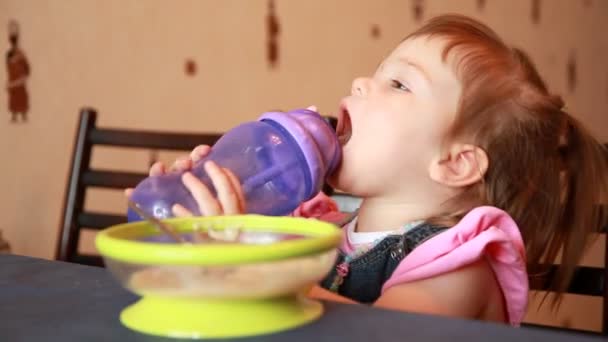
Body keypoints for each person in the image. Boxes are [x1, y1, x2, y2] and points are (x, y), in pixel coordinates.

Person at [126, 14, 608, 326]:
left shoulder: (459, 266)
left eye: (398, 84)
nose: (361, 81)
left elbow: (376, 332)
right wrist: (200, 223)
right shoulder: (323, 223)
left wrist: (251, 267)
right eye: (376, 73)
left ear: (455, 162)